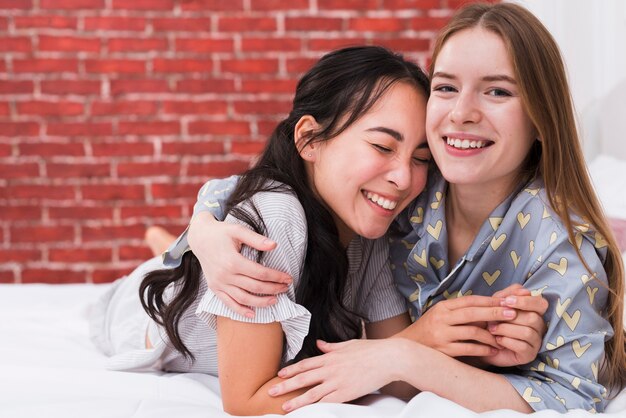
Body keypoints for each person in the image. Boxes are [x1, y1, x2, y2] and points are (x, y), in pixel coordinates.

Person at [178, 2, 626, 414]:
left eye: (497, 92)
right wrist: (202, 230)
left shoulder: (557, 247)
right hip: (173, 313)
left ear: (542, 119)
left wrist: (451, 356)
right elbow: (255, 188)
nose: (462, 113)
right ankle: (161, 247)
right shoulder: (409, 193)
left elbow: (568, 393)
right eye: (447, 86)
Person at [91, 45, 442, 416]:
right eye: (382, 146)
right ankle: (165, 249)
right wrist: (418, 339)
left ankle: (168, 243)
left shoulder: (368, 228)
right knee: (165, 268)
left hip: (211, 258)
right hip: (145, 312)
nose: (404, 178)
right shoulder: (274, 220)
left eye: (421, 159)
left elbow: (398, 381)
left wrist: (422, 345)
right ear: (309, 139)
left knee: (196, 245)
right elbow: (248, 399)